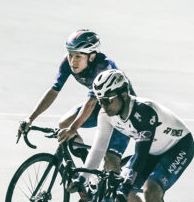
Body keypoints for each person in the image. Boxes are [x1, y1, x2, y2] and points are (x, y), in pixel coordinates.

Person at [84, 69, 194, 202]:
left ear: (123, 94)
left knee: (151, 190)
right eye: (100, 100)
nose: (103, 105)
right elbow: (99, 148)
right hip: (153, 150)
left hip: (178, 147)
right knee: (118, 185)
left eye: (108, 100)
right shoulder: (106, 114)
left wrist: (126, 185)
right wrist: (83, 177)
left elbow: (140, 155)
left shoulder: (144, 112)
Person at [17, 29, 131, 175]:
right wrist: (30, 118)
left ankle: (111, 193)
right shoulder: (68, 62)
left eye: (78, 56)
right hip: (100, 104)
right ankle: (87, 167)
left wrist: (72, 130)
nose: (72, 61)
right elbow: (54, 90)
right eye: (70, 55)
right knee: (64, 123)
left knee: (111, 160)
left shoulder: (103, 67)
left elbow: (90, 103)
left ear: (91, 57)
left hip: (122, 111)